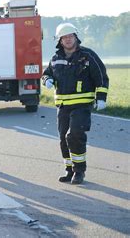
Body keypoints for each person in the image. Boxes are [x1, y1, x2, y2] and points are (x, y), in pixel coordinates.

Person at [42, 23, 109, 184]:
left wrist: (101, 98)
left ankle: (79, 171)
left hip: (82, 105)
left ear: (76, 37)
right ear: (60, 40)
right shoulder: (56, 58)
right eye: (64, 37)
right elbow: (45, 75)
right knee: (63, 139)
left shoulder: (88, 55)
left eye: (70, 36)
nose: (68, 39)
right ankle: (69, 170)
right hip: (63, 106)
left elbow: (101, 77)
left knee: (74, 135)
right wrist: (47, 80)